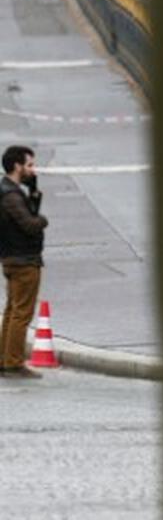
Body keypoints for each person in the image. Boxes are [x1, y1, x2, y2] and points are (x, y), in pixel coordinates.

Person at [1, 145, 48, 378]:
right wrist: (42, 221)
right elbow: (29, 224)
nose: (33, 169)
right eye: (29, 165)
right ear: (17, 166)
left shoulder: (12, 191)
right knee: (21, 313)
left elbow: (28, 214)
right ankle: (13, 363)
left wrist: (34, 191)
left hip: (14, 258)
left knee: (12, 311)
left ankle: (5, 359)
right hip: (23, 260)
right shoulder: (10, 195)